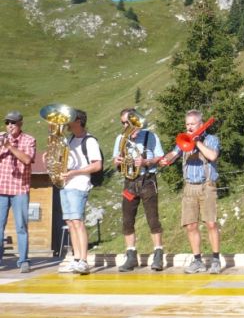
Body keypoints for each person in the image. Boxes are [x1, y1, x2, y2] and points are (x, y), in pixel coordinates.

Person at [160, 110, 222, 274]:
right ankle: (197, 261)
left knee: (211, 223)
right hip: (189, 187)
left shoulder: (211, 139)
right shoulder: (183, 140)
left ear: (200, 125)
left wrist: (197, 142)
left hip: (207, 185)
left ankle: (216, 259)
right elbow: (174, 153)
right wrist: (167, 159)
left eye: (192, 124)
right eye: (187, 124)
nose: (189, 127)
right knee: (190, 225)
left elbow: (213, 156)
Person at [112, 108, 164, 272]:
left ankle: (158, 253)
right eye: (123, 123)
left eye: (128, 122)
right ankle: (131, 255)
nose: (125, 125)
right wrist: (118, 160)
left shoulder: (150, 136)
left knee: (153, 219)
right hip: (129, 182)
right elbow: (115, 162)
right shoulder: (121, 138)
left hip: (147, 180)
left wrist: (145, 162)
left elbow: (159, 158)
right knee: (127, 220)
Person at [57, 110, 102, 275]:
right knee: (70, 223)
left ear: (78, 121)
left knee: (78, 221)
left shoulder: (89, 141)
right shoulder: (69, 139)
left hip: (80, 184)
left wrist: (75, 173)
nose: (67, 123)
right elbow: (64, 162)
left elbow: (97, 165)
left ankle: (83, 260)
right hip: (66, 184)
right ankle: (76, 259)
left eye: (70, 120)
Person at [0, 111, 36, 273]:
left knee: (21, 226)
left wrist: (10, 146)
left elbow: (27, 159)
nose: (10, 126)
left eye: (13, 123)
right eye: (7, 123)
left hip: (19, 189)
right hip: (1, 189)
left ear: (20, 124)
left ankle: (23, 261)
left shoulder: (29, 140)